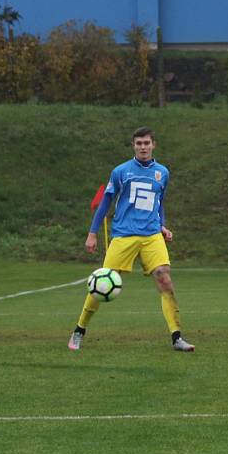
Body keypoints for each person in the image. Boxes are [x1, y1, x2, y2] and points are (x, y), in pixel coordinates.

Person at [67, 127, 195, 352]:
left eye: (146, 143)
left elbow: (159, 202)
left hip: (152, 236)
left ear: (154, 144)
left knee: (164, 278)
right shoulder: (120, 171)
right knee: (101, 284)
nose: (143, 147)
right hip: (124, 235)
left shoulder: (162, 173)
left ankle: (177, 337)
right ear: (133, 146)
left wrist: (162, 225)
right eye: (139, 143)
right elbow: (106, 202)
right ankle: (79, 330)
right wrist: (92, 232)